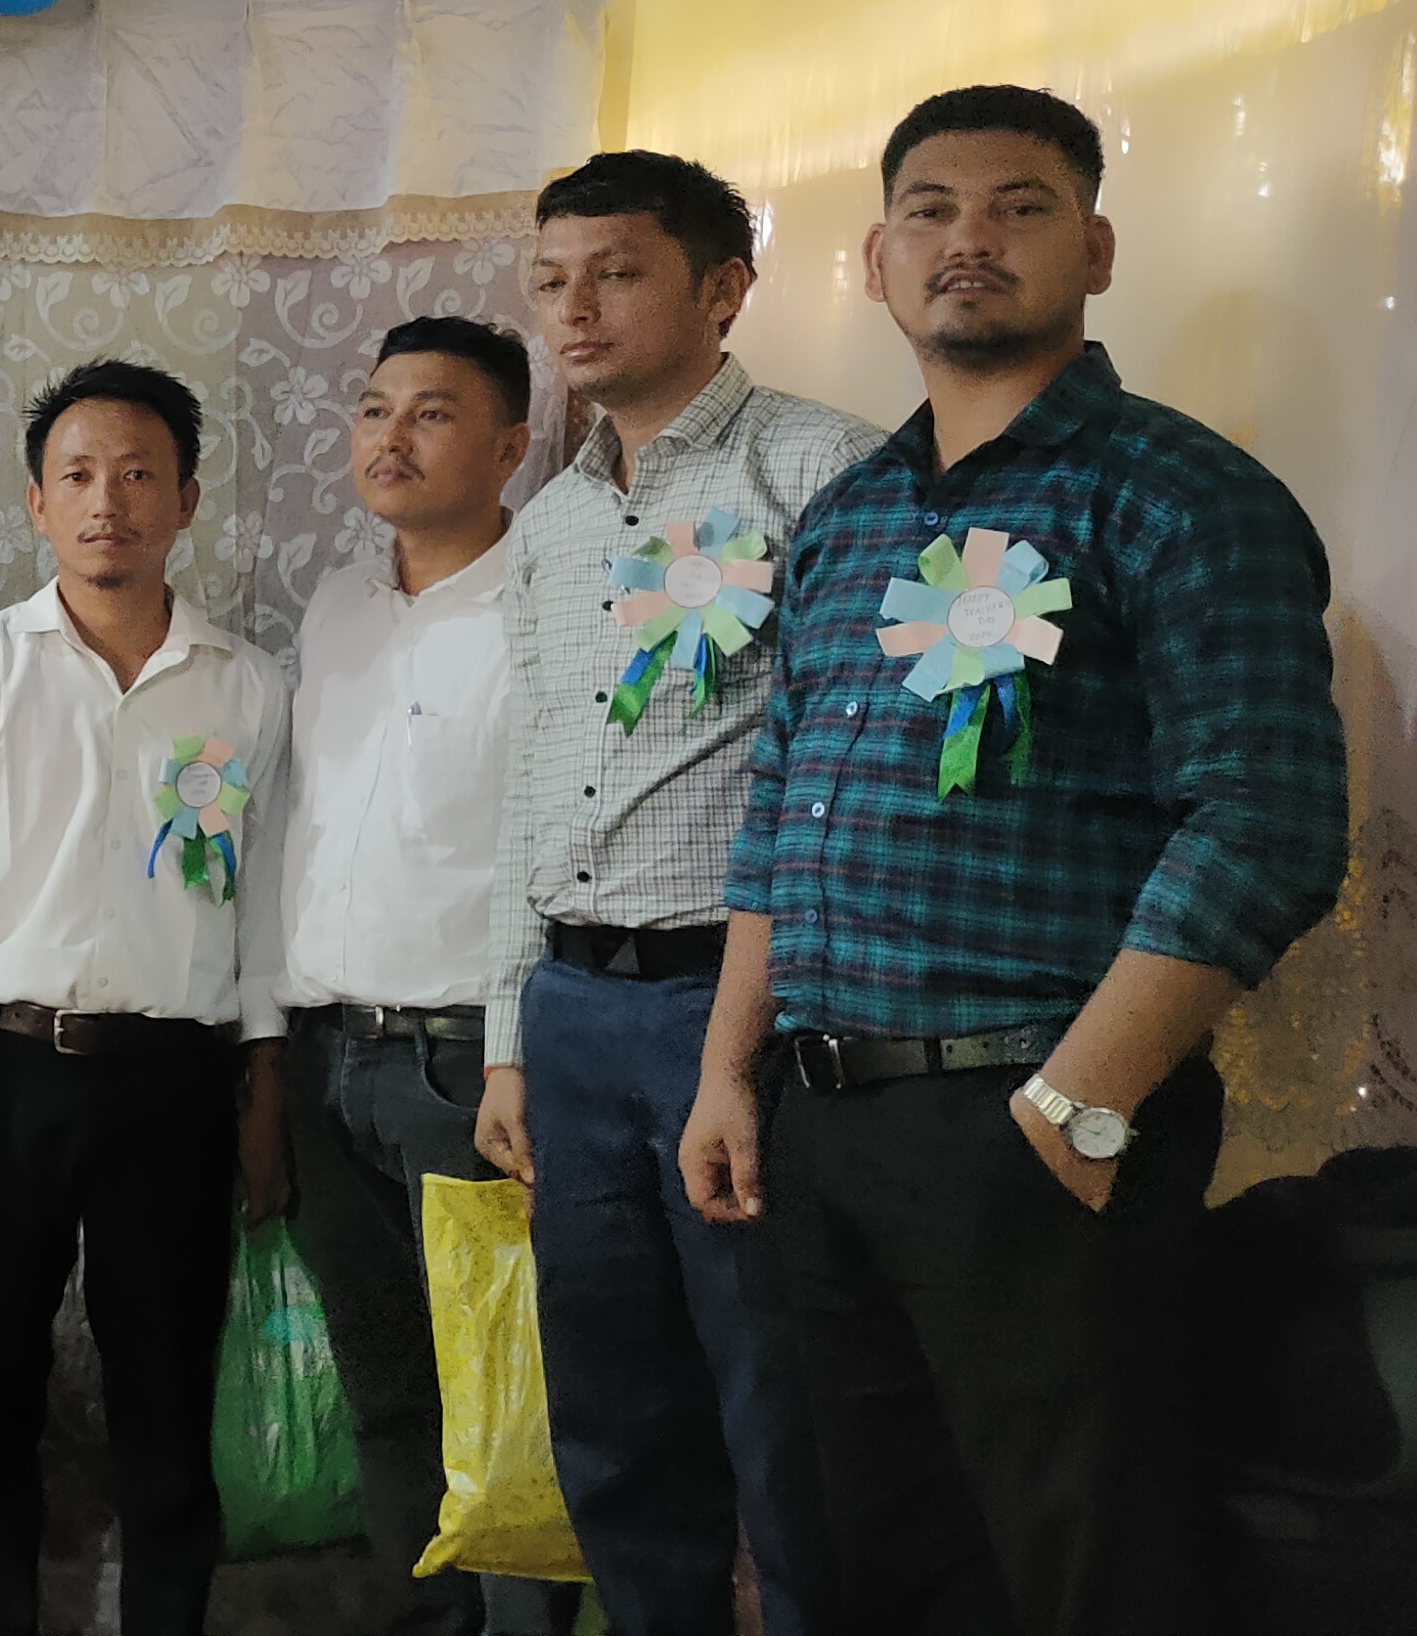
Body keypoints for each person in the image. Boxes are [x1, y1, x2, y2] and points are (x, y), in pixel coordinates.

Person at [688, 85, 1346, 1636]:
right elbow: (783, 814)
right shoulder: (850, 515)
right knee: (884, 1564)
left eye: (1020, 206)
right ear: (876, 261)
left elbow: (1266, 819)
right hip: (823, 1124)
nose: (967, 239)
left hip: (1034, 1117)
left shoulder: (1179, 491)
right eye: (929, 210)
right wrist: (728, 1073)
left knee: (1089, 1566)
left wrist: (1081, 1099)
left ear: (1097, 251)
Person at [476, 151, 860, 1636]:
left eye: (617, 272)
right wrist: (509, 1033)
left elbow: (836, 777)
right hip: (573, 1010)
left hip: (738, 1001)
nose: (574, 307)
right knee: (614, 1411)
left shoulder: (821, 472)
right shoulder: (551, 523)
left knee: (783, 1406)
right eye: (551, 279)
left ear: (723, 288)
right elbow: (530, 777)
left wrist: (741, 1049)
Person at [0, 358, 291, 1636]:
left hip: (177, 1080)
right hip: (7, 1071)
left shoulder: (246, 684)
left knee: (166, 1396)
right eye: (81, 476)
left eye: (140, 474)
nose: (111, 502)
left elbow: (266, 905)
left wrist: (265, 1090)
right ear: (38, 503)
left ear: (187, 499)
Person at [255, 319, 573, 1636]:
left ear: (510, 447)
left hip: (467, 1071)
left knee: (504, 1404)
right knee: (388, 1390)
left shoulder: (551, 611)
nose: (391, 437)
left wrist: (513, 1055)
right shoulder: (337, 608)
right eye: (376, 408)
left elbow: (559, 849)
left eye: (433, 413)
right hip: (330, 1055)